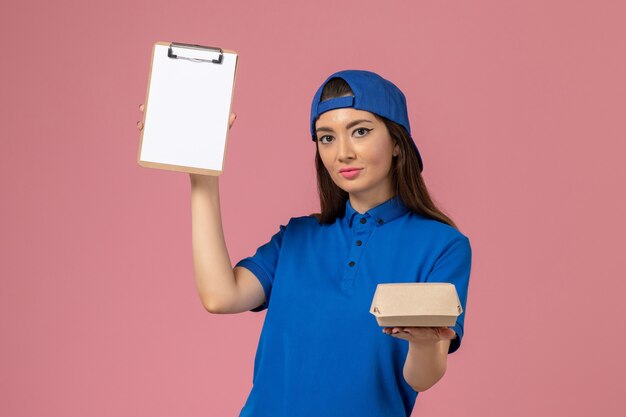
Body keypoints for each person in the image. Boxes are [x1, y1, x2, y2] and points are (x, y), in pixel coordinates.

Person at [138, 69, 472, 417]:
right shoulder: (297, 237)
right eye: (326, 138)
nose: (342, 153)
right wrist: (203, 178)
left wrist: (423, 341)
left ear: (398, 144)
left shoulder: (443, 246)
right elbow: (221, 296)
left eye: (360, 131)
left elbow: (422, 378)